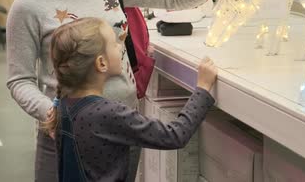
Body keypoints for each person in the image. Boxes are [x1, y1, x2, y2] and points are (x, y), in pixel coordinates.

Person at [6, 0, 212, 181]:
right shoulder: (29, 5)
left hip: (122, 133)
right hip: (66, 139)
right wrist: (50, 113)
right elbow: (19, 80)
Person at [43, 17, 217, 182]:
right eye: (114, 43)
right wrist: (202, 89)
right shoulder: (110, 113)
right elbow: (175, 135)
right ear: (101, 63)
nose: (120, 47)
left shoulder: (63, 104)